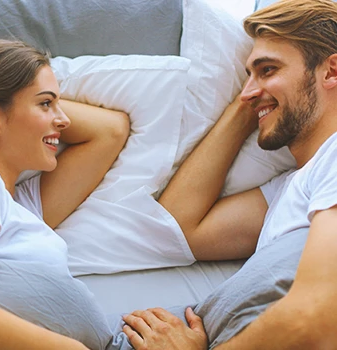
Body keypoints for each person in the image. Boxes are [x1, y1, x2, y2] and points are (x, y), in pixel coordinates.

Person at [120, 0, 337, 348]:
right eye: (248, 74)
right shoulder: (289, 187)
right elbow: (181, 227)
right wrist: (247, 107)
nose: (247, 90)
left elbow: (314, 316)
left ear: (331, 72)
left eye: (268, 69)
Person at [0, 39, 130, 349]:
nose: (64, 120)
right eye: (45, 103)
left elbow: (111, 130)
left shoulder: (24, 207)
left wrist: (39, 103)